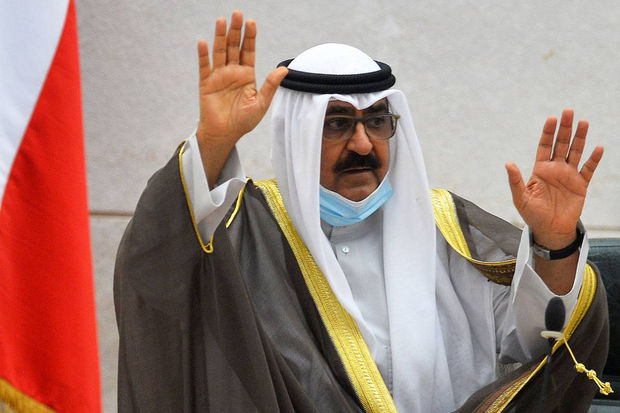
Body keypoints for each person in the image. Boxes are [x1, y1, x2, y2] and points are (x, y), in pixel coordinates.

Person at [114, 10, 609, 412]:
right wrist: (214, 141)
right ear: (297, 134)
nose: (362, 144)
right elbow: (158, 268)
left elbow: (534, 348)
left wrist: (554, 243)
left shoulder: (446, 228)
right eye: (336, 124)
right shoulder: (247, 230)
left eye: (376, 121)